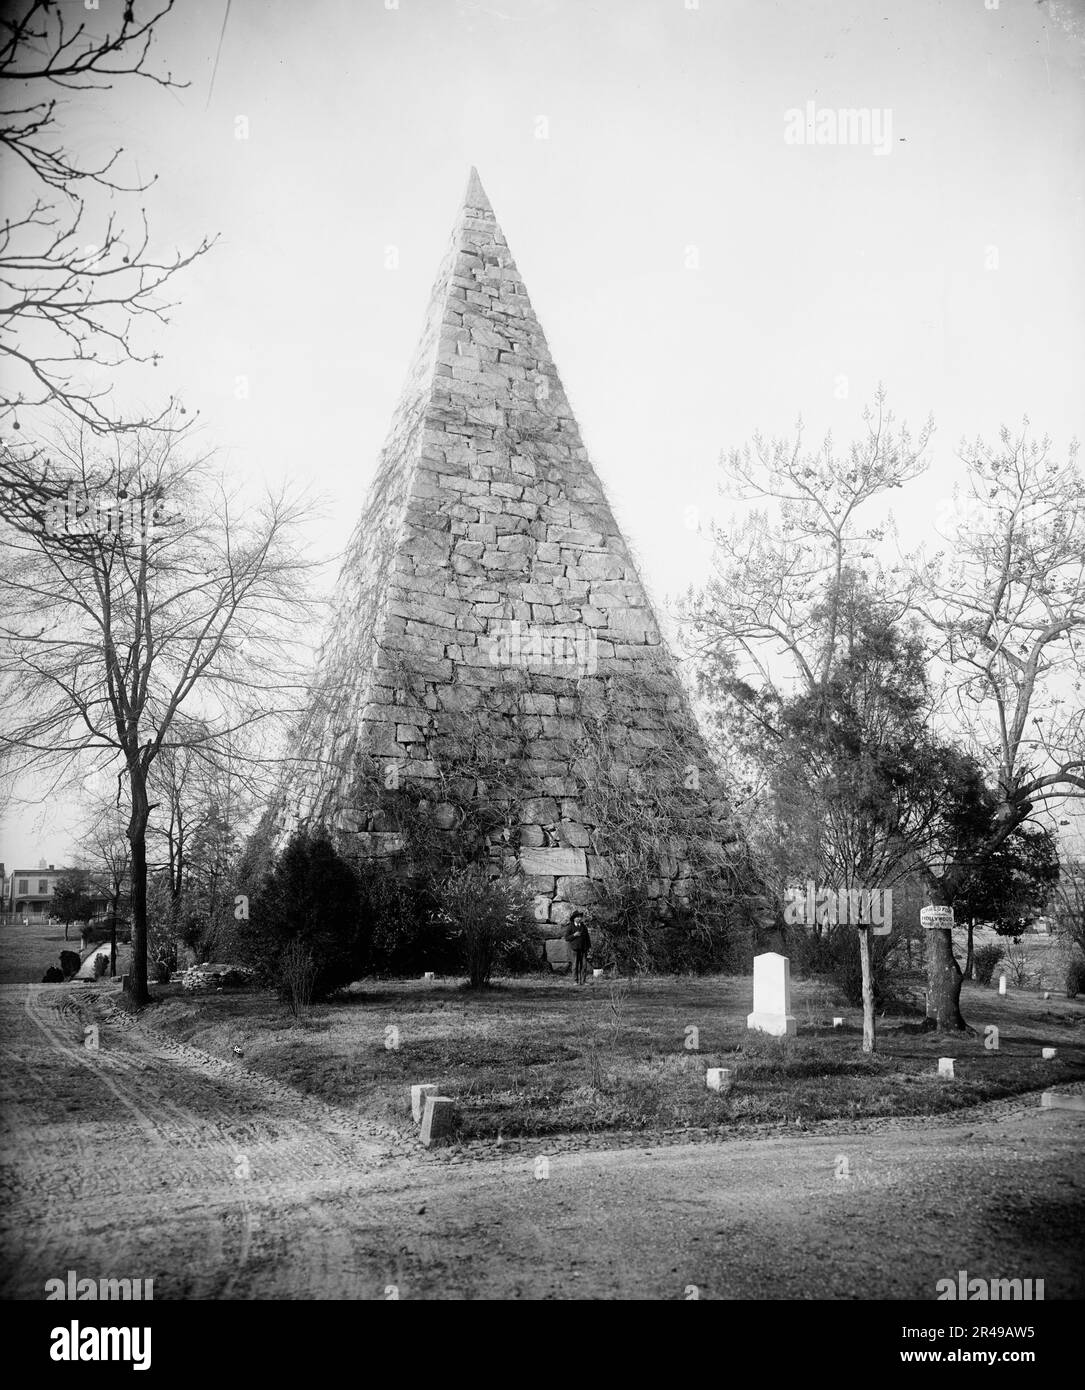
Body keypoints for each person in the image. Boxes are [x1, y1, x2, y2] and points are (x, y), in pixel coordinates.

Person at [563, 911, 591, 985]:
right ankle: (575, 981)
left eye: (580, 917)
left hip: (583, 949)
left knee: (584, 966)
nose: (579, 918)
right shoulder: (570, 927)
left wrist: (589, 948)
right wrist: (574, 935)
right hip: (574, 949)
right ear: (574, 918)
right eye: (577, 917)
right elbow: (566, 938)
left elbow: (587, 938)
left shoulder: (583, 926)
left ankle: (583, 981)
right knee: (575, 966)